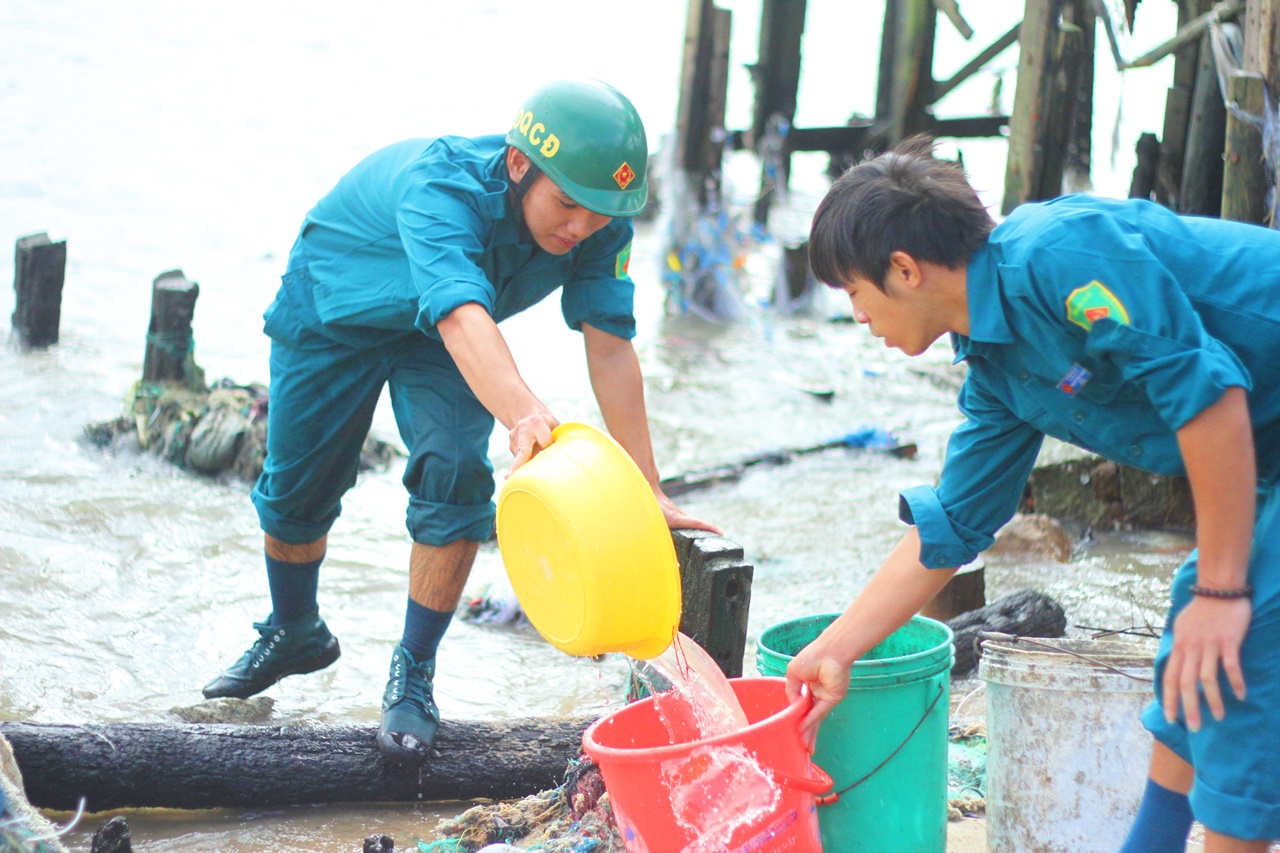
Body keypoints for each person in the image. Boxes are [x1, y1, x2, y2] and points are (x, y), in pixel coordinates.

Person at [201, 79, 717, 768]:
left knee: (458, 475)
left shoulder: (595, 218)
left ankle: (414, 672)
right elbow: (460, 312)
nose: (580, 229)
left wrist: (647, 486)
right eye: (567, 205)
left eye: (599, 215)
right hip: (335, 306)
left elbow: (611, 341)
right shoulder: (440, 188)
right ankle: (295, 628)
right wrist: (527, 415)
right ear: (516, 164)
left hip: (440, 334)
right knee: (296, 493)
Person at [788, 135, 1280, 851]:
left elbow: (1208, 396)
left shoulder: (1058, 254)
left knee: (1238, 652)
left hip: (1255, 422)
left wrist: (1224, 592)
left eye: (855, 293)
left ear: (904, 269)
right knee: (1191, 641)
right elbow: (953, 525)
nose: (859, 317)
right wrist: (836, 649)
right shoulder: (997, 374)